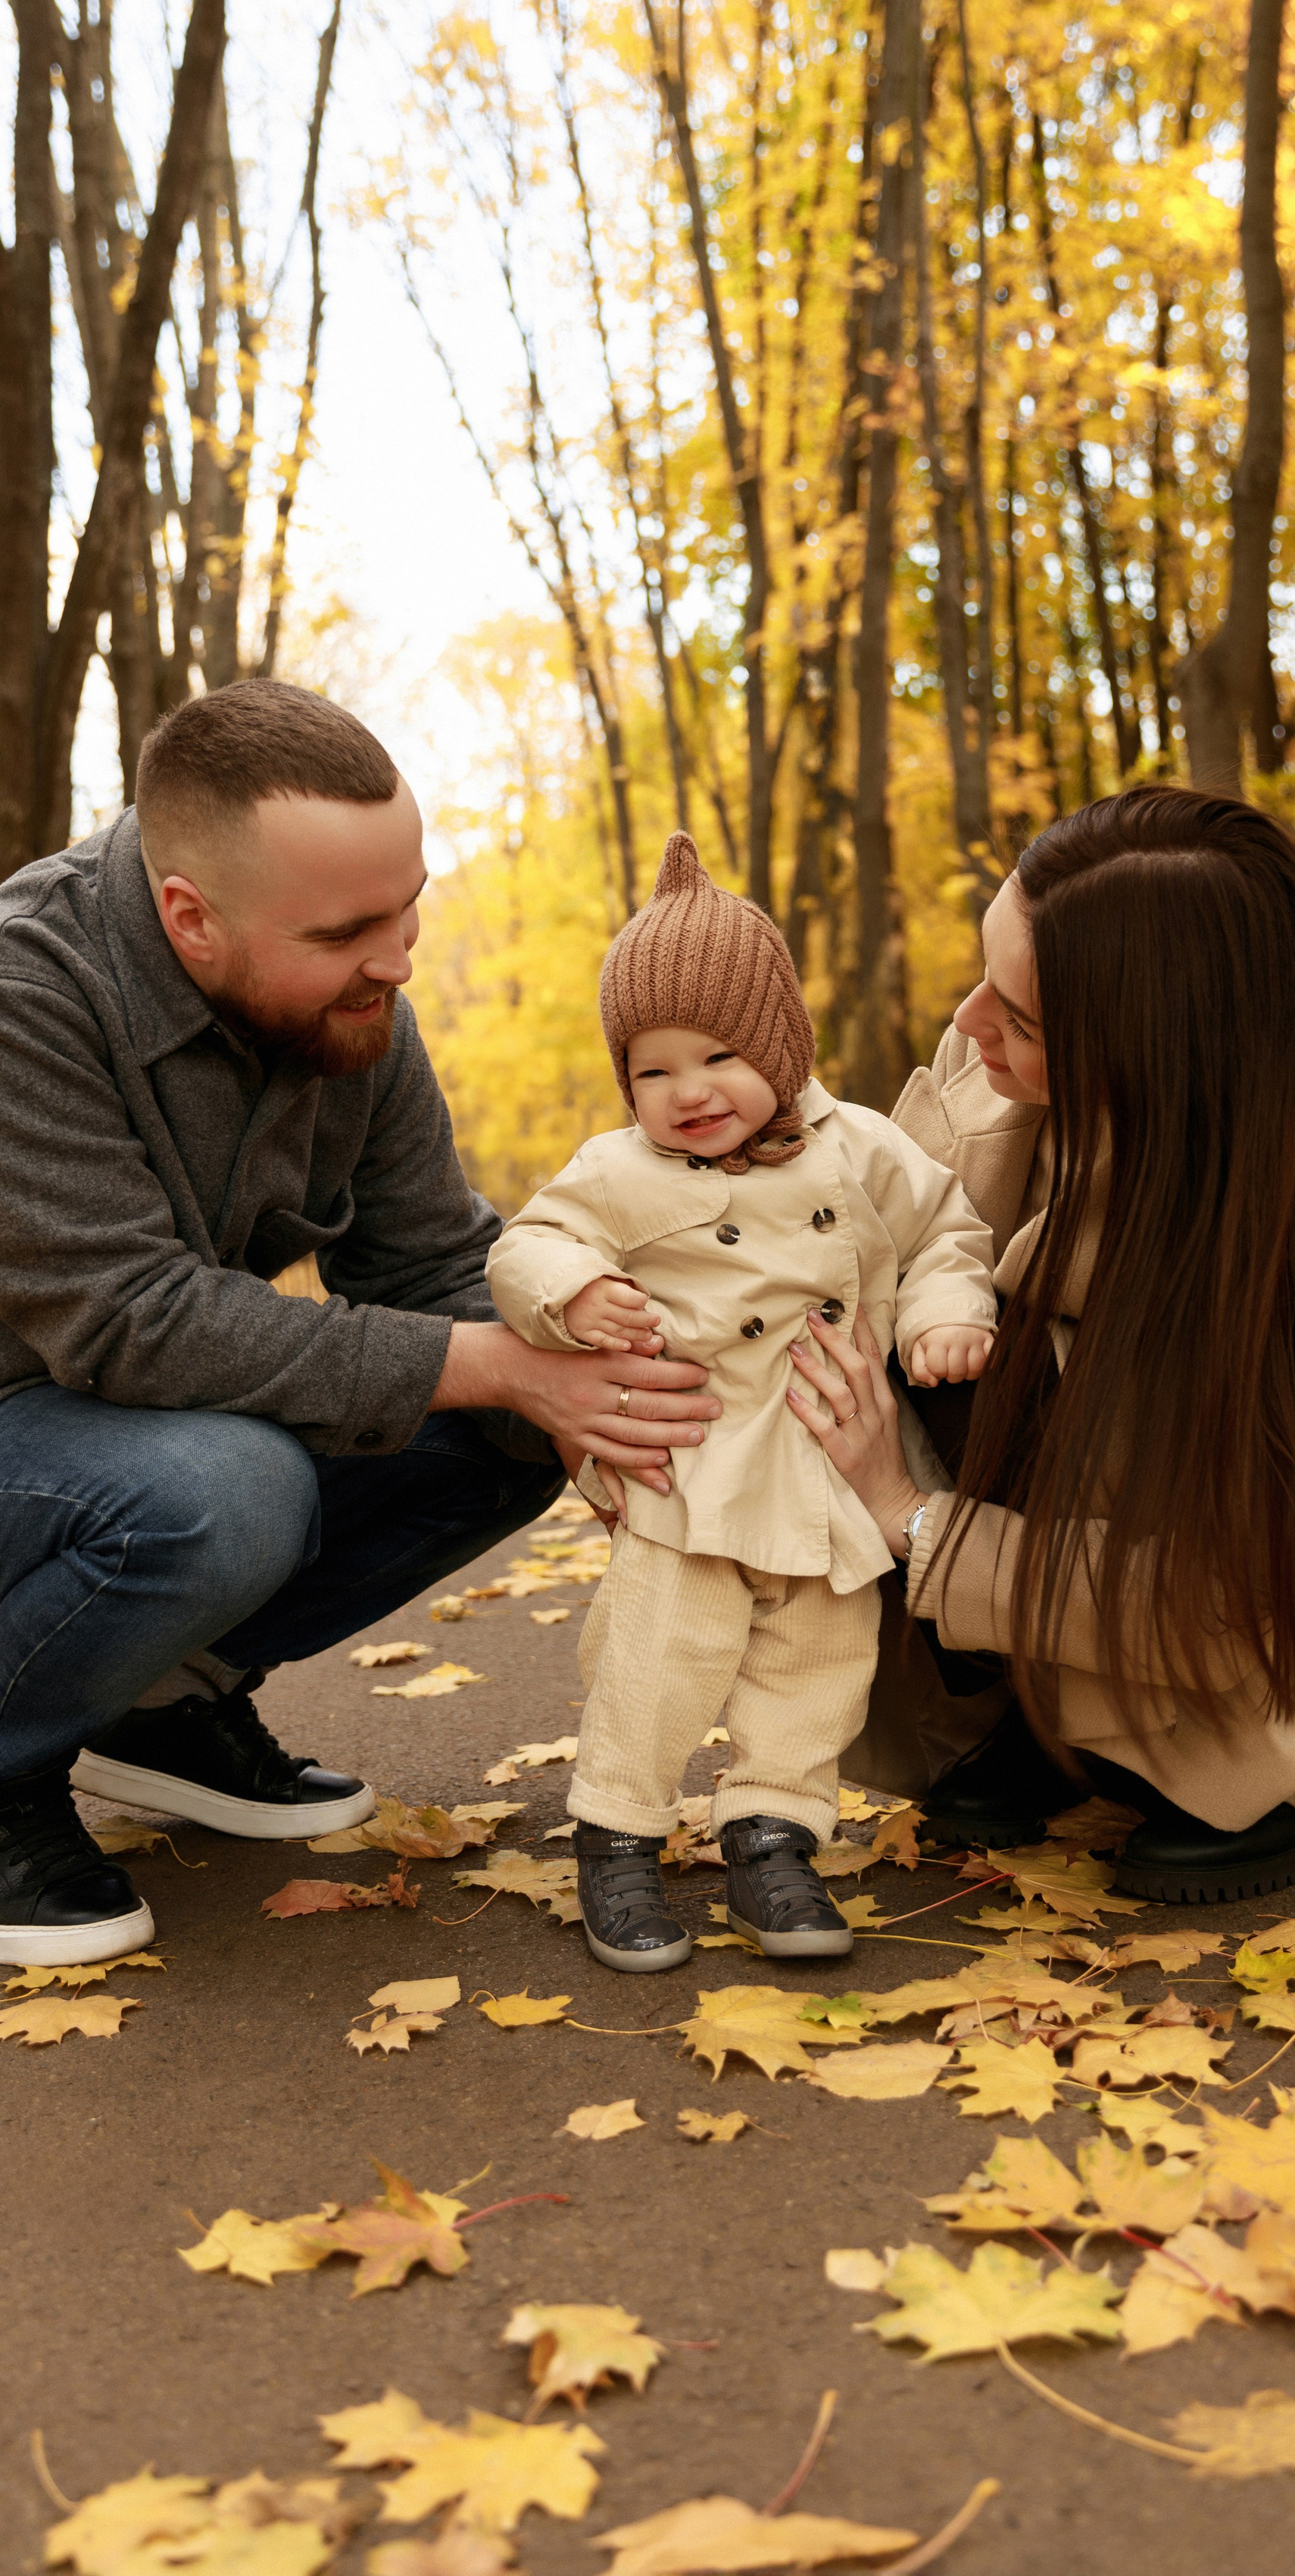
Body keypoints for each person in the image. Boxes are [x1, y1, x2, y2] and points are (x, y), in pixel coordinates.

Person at [0, 682, 722, 1966]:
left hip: (128, 1434)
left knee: (514, 1423)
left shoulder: (354, 1004)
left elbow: (433, 1260)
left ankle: (159, 1701)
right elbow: (135, 1325)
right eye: (346, 929)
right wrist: (490, 1360)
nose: (399, 955)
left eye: (408, 903)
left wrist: (616, 1366)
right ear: (188, 916)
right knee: (231, 1488)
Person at [782, 786, 1295, 1905]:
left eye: (1018, 1017)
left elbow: (1227, 1604)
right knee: (909, 1341)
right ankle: (1040, 1714)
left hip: (1240, 1615)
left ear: (1151, 1051)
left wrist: (906, 1516)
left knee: (1001, 1378)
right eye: (989, 981)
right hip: (1067, 1542)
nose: (972, 1021)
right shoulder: (1010, 1069)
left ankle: (1284, 1770)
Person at [486, 833, 997, 1971]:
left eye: (718, 1054)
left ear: (780, 1045)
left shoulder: (858, 1147)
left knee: (815, 1671)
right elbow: (526, 1246)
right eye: (653, 1069)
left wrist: (939, 1316)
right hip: (693, 1473)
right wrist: (580, 1291)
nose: (687, 1091)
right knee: (656, 1661)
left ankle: (776, 1835)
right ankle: (618, 1833)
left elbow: (947, 1232)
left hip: (827, 1470)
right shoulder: (620, 1171)